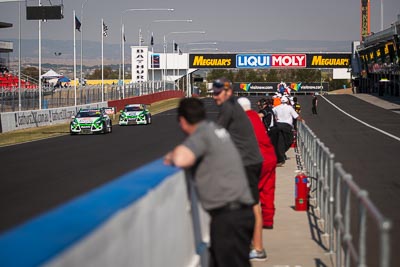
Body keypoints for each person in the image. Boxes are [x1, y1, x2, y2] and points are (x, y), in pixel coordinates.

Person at [164, 98, 255, 267]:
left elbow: (182, 159)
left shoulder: (202, 134)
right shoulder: (215, 129)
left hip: (229, 218)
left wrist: (171, 154)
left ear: (182, 121)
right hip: (240, 213)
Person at [211, 78, 264, 260]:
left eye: (218, 92)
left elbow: (215, 134)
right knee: (246, 204)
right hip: (249, 161)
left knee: (252, 205)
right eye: (213, 92)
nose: (214, 95)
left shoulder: (227, 107)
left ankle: (257, 248)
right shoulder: (233, 105)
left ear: (228, 92)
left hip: (247, 162)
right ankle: (250, 243)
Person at [238, 97, 277, 260]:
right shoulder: (256, 116)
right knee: (267, 192)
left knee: (250, 201)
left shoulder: (241, 120)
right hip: (270, 157)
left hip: (256, 161)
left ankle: (252, 242)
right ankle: (267, 220)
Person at [273, 95, 304, 166]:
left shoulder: (276, 107)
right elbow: (296, 116)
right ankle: (281, 154)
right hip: (287, 126)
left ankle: (281, 155)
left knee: (280, 142)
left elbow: (272, 113)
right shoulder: (289, 108)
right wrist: (302, 120)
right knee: (289, 141)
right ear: (287, 101)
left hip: (278, 125)